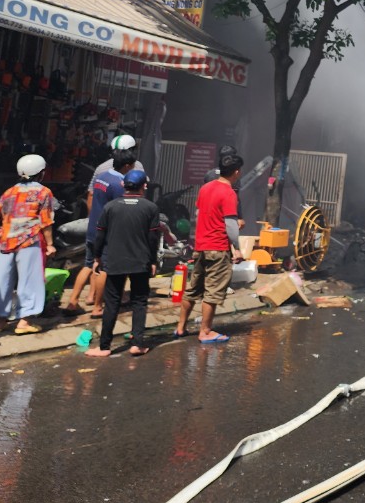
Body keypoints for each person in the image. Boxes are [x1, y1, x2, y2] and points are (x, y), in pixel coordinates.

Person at [87, 169, 161, 358]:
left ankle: (104, 347)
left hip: (114, 261)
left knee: (112, 303)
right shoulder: (150, 208)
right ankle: (137, 344)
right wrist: (153, 260)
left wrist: (97, 257)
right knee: (139, 302)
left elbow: (100, 235)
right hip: (140, 261)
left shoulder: (110, 207)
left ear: (123, 185)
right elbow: (153, 238)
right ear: (144, 186)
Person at [176, 152, 245, 342]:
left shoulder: (205, 188)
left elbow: (199, 214)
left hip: (200, 246)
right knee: (213, 291)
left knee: (193, 288)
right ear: (236, 172)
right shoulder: (229, 193)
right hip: (218, 248)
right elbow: (231, 225)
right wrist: (237, 248)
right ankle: (205, 331)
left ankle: (180, 327)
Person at [0, 154, 56, 335]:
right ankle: (24, 322)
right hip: (28, 241)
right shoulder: (44, 192)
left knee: (2, 281)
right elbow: (46, 222)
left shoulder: (9, 192)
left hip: (6, 243)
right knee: (29, 281)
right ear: (41, 173)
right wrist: (50, 244)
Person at [64, 149, 136, 317]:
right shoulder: (120, 184)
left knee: (88, 265)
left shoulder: (101, 177)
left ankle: (73, 302)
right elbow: (122, 210)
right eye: (132, 165)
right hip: (106, 232)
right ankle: (97, 307)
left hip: (92, 228)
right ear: (127, 166)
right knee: (104, 269)